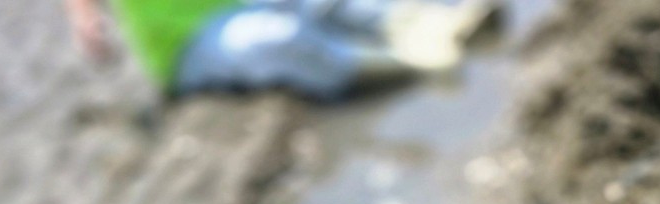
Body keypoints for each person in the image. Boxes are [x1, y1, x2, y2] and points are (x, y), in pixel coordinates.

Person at [64, 0, 496, 100]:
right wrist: (86, 19)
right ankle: (407, 63)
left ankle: (433, 21)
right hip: (185, 46)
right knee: (273, 40)